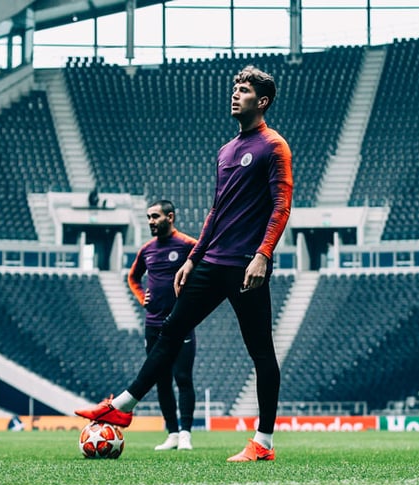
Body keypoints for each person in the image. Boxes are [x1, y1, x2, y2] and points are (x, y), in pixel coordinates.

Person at [77, 65, 293, 462]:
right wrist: (193, 259)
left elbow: (282, 205)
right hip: (211, 262)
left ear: (261, 102)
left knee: (261, 352)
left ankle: (263, 442)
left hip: (246, 265)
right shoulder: (226, 151)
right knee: (170, 331)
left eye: (244, 90)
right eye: (235, 88)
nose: (235, 94)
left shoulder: (274, 146)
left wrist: (263, 254)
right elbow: (215, 212)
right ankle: (123, 406)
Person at [127, 200, 198, 451]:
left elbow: (206, 272)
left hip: (181, 324)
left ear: (170, 217)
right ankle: (173, 433)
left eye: (155, 216)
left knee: (183, 377)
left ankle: (187, 433)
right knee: (162, 380)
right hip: (153, 324)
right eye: (148, 217)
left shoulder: (189, 245)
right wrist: (141, 297)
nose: (150, 222)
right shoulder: (147, 250)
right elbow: (133, 277)